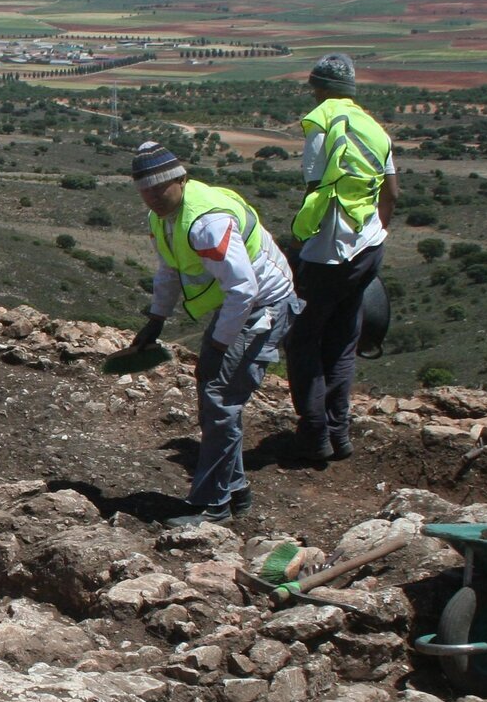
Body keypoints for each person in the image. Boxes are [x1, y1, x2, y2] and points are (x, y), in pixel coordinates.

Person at [121, 142, 298, 524]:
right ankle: (234, 492)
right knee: (214, 392)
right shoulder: (163, 219)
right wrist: (155, 320)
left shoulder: (205, 222)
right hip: (239, 305)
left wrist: (218, 344)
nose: (152, 197)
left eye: (159, 188)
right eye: (145, 191)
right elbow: (169, 270)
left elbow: (244, 290)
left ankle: (211, 506)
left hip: (264, 304)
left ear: (181, 180)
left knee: (219, 397)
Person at [283, 53, 397, 462]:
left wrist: (299, 244)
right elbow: (391, 193)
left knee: (303, 340)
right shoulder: (376, 130)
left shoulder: (322, 123)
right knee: (344, 341)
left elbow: (316, 191)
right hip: (369, 250)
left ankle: (314, 435)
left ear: (320, 88)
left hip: (327, 253)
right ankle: (340, 433)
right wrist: (376, 234)